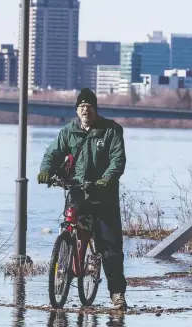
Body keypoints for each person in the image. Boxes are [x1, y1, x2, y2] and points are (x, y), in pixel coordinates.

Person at [37, 88, 128, 311]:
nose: (85, 109)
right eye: (81, 106)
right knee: (69, 225)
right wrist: (45, 170)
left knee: (110, 247)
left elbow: (118, 159)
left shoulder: (111, 130)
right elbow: (53, 153)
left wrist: (107, 178)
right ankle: (65, 264)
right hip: (77, 190)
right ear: (77, 110)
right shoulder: (69, 131)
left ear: (95, 109)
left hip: (103, 196)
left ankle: (117, 294)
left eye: (89, 106)